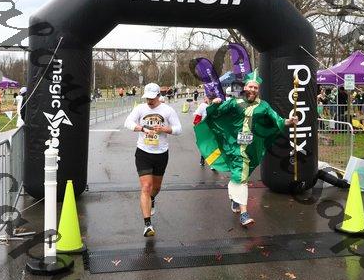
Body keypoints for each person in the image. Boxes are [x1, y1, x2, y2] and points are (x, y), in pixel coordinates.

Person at [195, 70, 297, 227]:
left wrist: (289, 121)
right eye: (250, 87)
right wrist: (214, 105)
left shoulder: (263, 106)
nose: (253, 90)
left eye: (255, 88)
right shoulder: (234, 102)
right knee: (241, 175)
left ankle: (235, 198)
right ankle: (244, 214)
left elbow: (276, 119)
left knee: (241, 175)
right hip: (234, 146)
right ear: (245, 87)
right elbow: (217, 113)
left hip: (252, 147)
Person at [124, 82, 182, 237]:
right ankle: (147, 225)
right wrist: (142, 128)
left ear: (158, 96)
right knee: (146, 187)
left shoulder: (167, 110)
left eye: (151, 98)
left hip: (161, 153)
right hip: (143, 152)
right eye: (147, 98)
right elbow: (127, 123)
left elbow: (178, 129)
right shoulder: (140, 109)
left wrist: (165, 129)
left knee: (156, 188)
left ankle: (151, 199)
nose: (149, 101)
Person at [193, 93, 216, 167]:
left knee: (213, 146)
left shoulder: (216, 106)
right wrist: (199, 127)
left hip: (213, 129)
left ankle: (212, 163)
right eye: (210, 99)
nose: (211, 100)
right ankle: (203, 159)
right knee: (206, 146)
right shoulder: (203, 106)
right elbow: (197, 119)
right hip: (205, 129)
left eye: (212, 99)